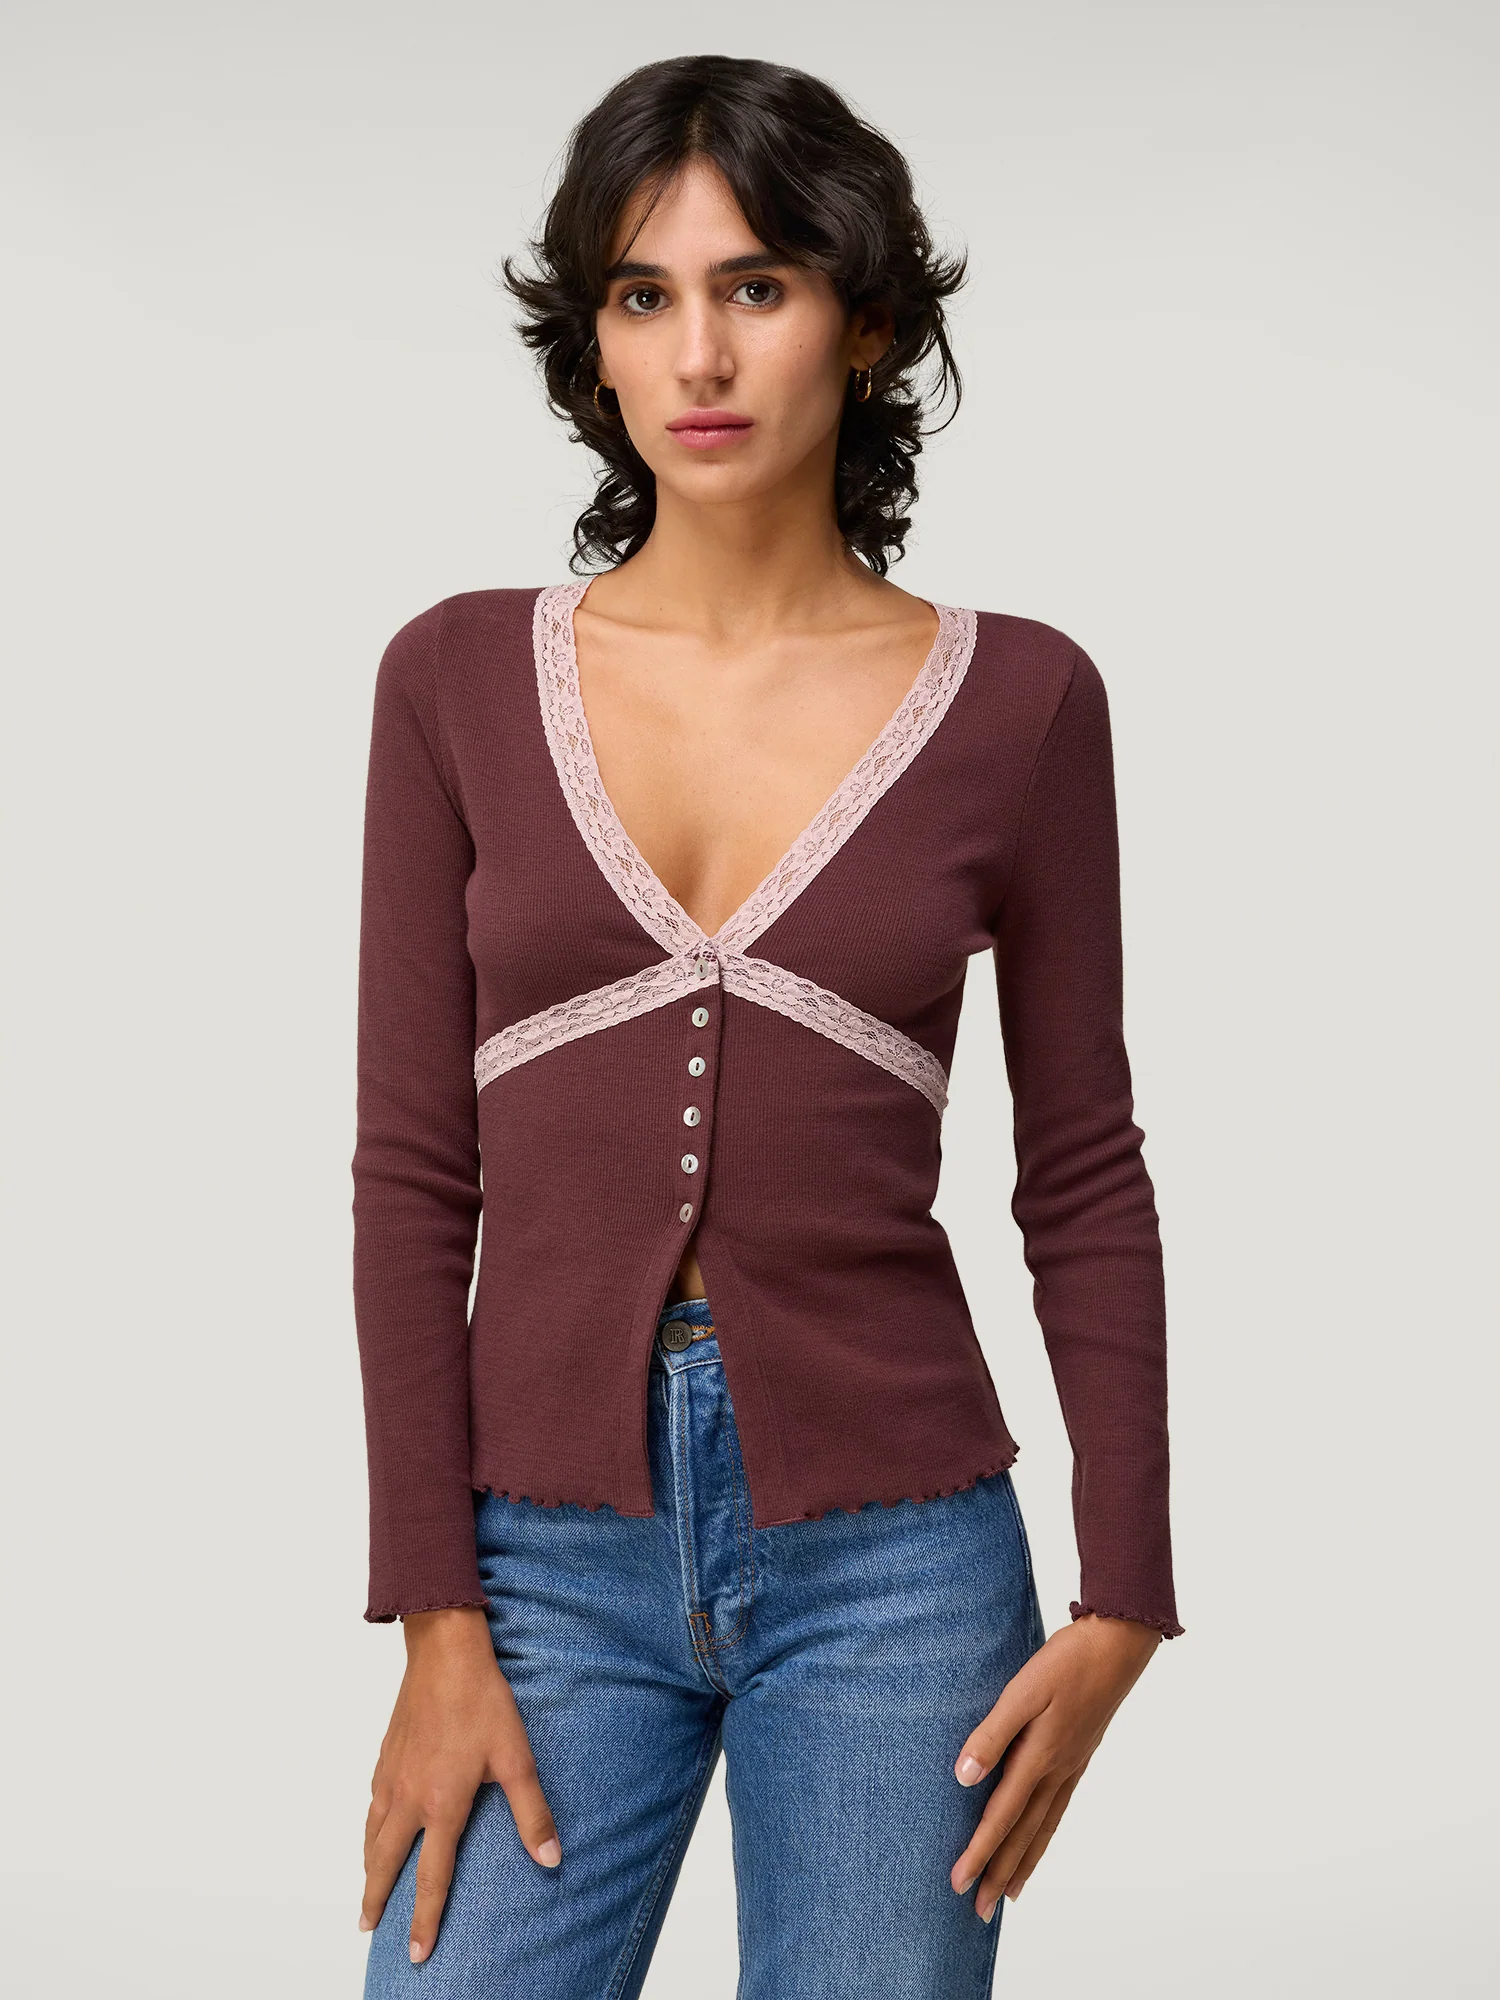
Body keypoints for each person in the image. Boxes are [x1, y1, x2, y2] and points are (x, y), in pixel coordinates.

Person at [352, 53, 1181, 2000]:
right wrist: (435, 1617)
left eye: (759, 285)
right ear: (594, 344)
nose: (700, 353)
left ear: (864, 323)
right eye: (644, 295)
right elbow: (411, 1173)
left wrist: (1128, 1592)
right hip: (542, 1554)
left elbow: (1080, 1168)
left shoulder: (1024, 704)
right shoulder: (454, 680)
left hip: (900, 1563)